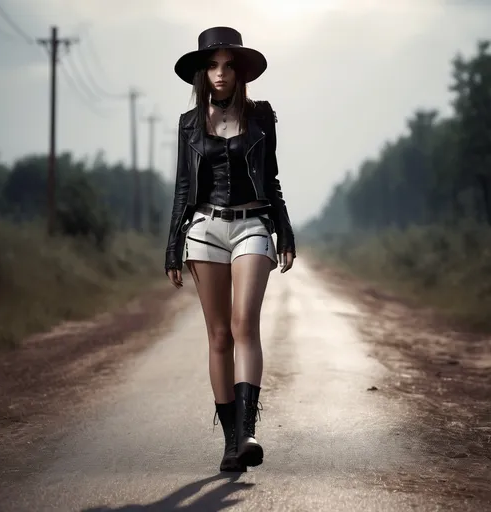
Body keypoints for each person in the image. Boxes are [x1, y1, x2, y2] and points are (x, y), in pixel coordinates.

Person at [165, 26, 296, 472]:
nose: (221, 74)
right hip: (203, 228)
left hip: (252, 225)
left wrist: (285, 230)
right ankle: (231, 443)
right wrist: (172, 246)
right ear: (204, 72)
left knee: (245, 325)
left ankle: (248, 432)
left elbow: (272, 178)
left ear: (240, 72)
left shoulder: (261, 116)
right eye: (213, 65)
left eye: (228, 66)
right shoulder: (188, 123)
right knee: (218, 334)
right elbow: (184, 187)